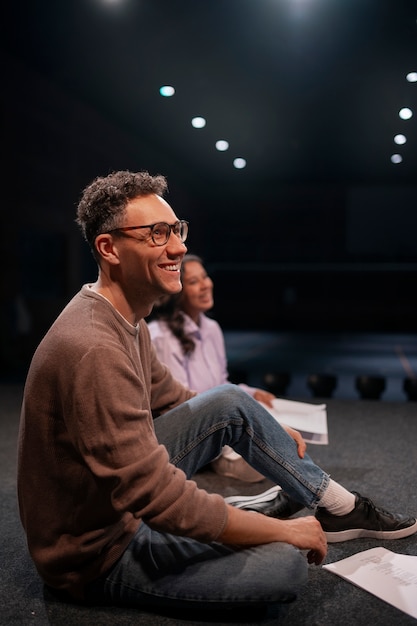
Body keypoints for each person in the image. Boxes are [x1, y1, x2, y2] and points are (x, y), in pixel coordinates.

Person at [17, 170, 417, 619]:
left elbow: (177, 398)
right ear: (109, 249)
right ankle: (261, 512)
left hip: (115, 506)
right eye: (156, 234)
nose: (178, 247)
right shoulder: (92, 347)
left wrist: (265, 430)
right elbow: (154, 495)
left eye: (176, 229)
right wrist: (280, 534)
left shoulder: (126, 318)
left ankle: (334, 506)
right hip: (95, 552)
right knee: (285, 566)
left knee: (230, 399)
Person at [147, 253, 275, 483]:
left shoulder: (212, 328)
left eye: (205, 277)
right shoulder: (161, 336)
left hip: (217, 419)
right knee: (262, 463)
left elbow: (221, 384)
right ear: (177, 290)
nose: (205, 285)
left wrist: (251, 394)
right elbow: (178, 405)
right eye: (194, 282)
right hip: (191, 428)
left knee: (275, 440)